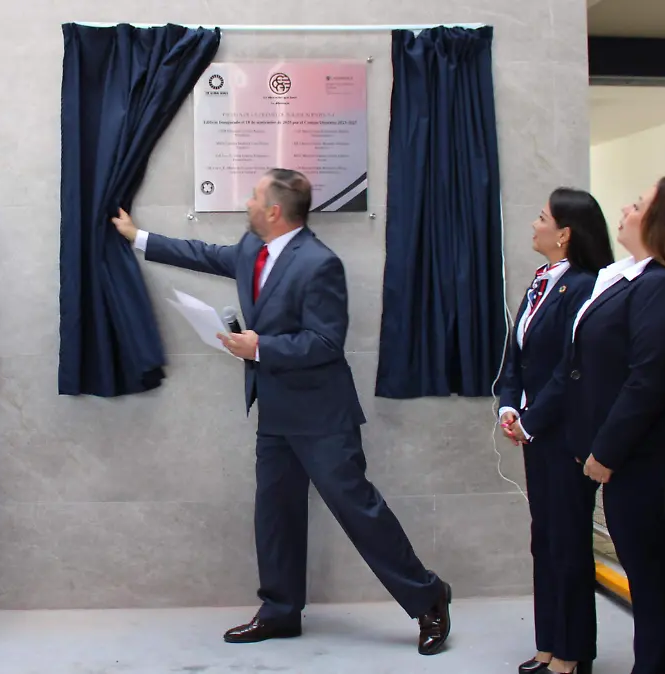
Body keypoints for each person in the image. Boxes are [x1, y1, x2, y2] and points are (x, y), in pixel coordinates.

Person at [110, 168, 452, 655]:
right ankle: (280, 610)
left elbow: (326, 341)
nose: (246, 204)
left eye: (252, 197)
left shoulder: (320, 263)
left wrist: (260, 348)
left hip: (322, 416)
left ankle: (429, 596)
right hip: (275, 410)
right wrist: (137, 237)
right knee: (275, 515)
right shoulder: (253, 249)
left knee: (358, 511)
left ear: (274, 211)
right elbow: (208, 256)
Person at [510, 176, 665, 674]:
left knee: (656, 590)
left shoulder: (658, 286)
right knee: (645, 584)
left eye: (638, 204)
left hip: (637, 459)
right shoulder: (625, 278)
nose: (625, 207)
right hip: (604, 452)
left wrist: (605, 449)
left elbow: (646, 380)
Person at [496, 188, 613, 674]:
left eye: (542, 217)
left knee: (566, 543)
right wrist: (507, 405)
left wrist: (532, 419)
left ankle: (572, 652)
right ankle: (549, 644)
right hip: (535, 435)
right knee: (543, 539)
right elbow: (517, 354)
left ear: (564, 234)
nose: (534, 224)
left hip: (563, 437)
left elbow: (572, 370)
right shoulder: (542, 281)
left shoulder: (582, 286)